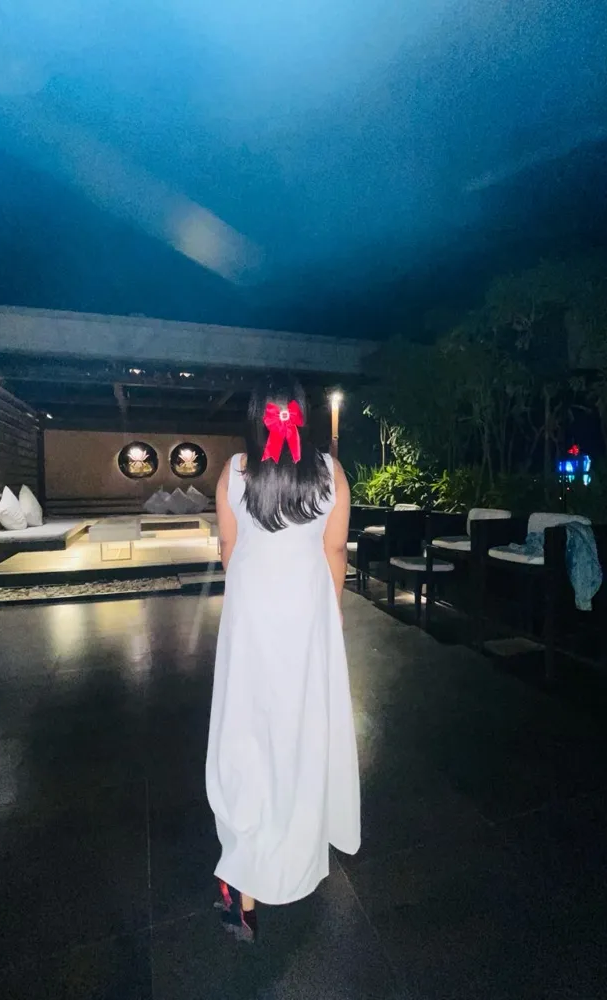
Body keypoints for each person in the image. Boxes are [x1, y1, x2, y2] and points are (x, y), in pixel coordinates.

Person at [206, 378, 361, 943]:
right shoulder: (330, 472)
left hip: (251, 620)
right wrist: (328, 609)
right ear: (304, 416)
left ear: (257, 418)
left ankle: (244, 881)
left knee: (248, 734)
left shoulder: (233, 473)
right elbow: (334, 550)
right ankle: (293, 853)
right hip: (307, 617)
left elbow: (230, 549)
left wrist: (253, 592)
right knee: (301, 732)